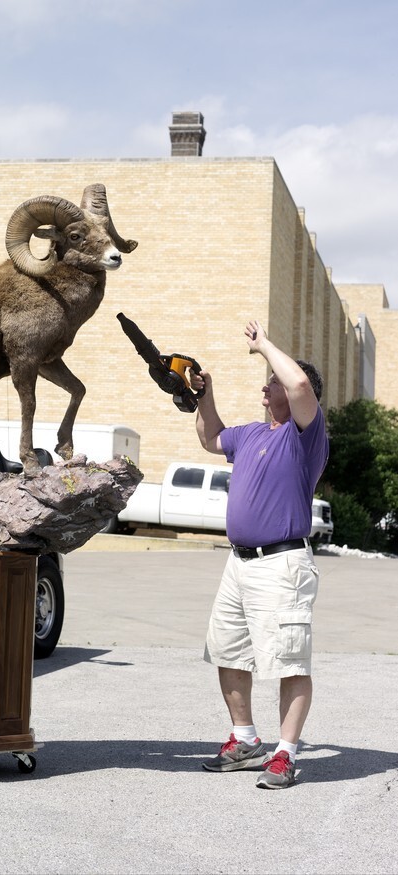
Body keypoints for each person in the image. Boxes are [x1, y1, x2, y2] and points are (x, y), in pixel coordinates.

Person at [189, 319, 329, 789]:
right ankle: (245, 740)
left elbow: (301, 382)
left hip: (282, 564)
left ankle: (285, 754)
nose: (266, 387)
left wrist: (264, 346)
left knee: (289, 660)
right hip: (239, 563)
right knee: (229, 650)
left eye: (273, 381)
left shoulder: (305, 436)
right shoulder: (250, 434)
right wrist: (204, 394)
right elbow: (210, 438)